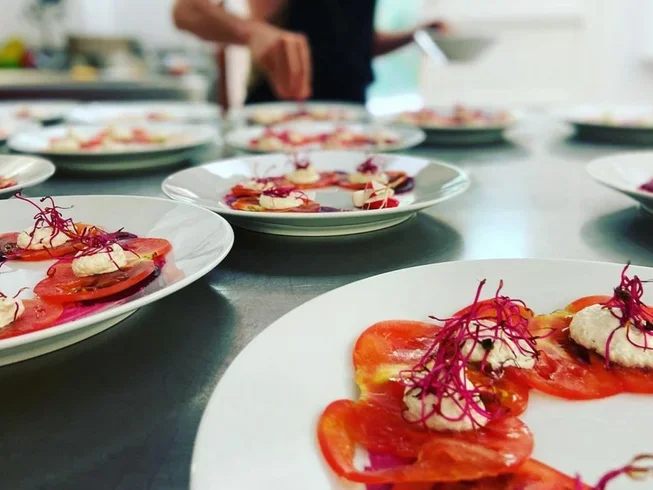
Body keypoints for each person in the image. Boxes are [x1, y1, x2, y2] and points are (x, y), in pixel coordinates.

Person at [173, 0, 447, 104]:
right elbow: (186, 10)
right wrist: (251, 31)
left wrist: (416, 34)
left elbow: (360, 43)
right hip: (278, 116)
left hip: (353, 113)